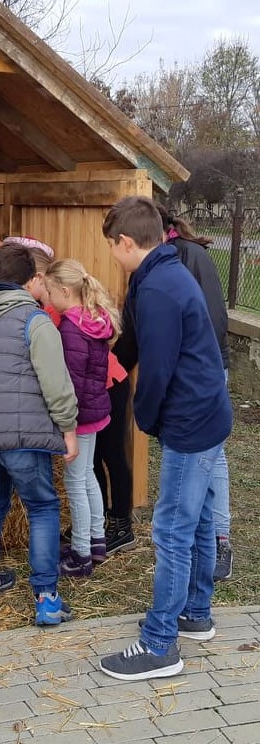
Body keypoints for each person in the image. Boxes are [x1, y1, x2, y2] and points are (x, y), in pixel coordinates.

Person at [99, 196, 232, 681]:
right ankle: (195, 613)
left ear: (126, 242)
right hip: (209, 413)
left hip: (190, 422)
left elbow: (157, 369)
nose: (113, 255)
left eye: (111, 246)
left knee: (172, 530)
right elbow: (143, 348)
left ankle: (160, 645)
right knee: (197, 521)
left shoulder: (157, 288)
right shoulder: (167, 272)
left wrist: (146, 418)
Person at [0, 243, 79, 626]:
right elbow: (56, 383)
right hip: (22, 436)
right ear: (33, 280)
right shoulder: (36, 321)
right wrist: (68, 429)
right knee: (42, 507)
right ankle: (46, 597)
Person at [157, 203, 233, 581]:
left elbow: (207, 318)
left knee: (212, 457)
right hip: (203, 367)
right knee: (207, 457)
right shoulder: (181, 253)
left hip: (204, 370)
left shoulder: (183, 257)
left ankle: (220, 538)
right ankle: (207, 538)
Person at [44, 259, 120, 576]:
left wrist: (67, 425)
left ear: (65, 291)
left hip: (80, 416)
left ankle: (80, 555)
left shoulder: (70, 329)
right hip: (95, 409)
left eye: (50, 292)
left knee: (75, 482)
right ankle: (96, 540)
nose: (48, 300)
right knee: (87, 475)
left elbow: (70, 382)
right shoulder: (93, 320)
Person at [93, 302, 138, 555]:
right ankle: (96, 520)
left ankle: (122, 525)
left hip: (111, 386)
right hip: (94, 390)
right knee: (93, 459)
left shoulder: (60, 308)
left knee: (114, 456)